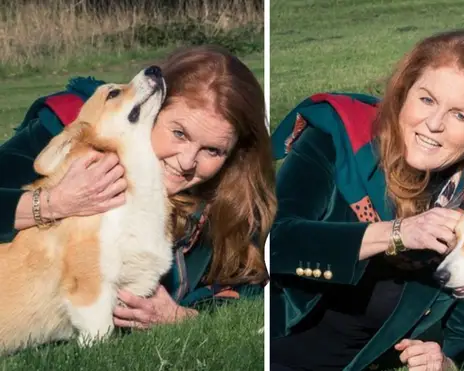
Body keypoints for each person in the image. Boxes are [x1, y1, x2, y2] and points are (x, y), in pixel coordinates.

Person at [269, 29, 464, 371]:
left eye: (459, 115)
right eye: (427, 100)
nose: (433, 124)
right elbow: (274, 242)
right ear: (402, 96)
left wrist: (444, 361)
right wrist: (398, 233)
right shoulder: (336, 140)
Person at [0, 45, 276, 329]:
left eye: (213, 150)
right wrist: (52, 203)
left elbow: (254, 290)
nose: (187, 161)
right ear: (152, 106)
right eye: (179, 133)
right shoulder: (72, 130)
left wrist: (184, 316)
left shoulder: (232, 195)